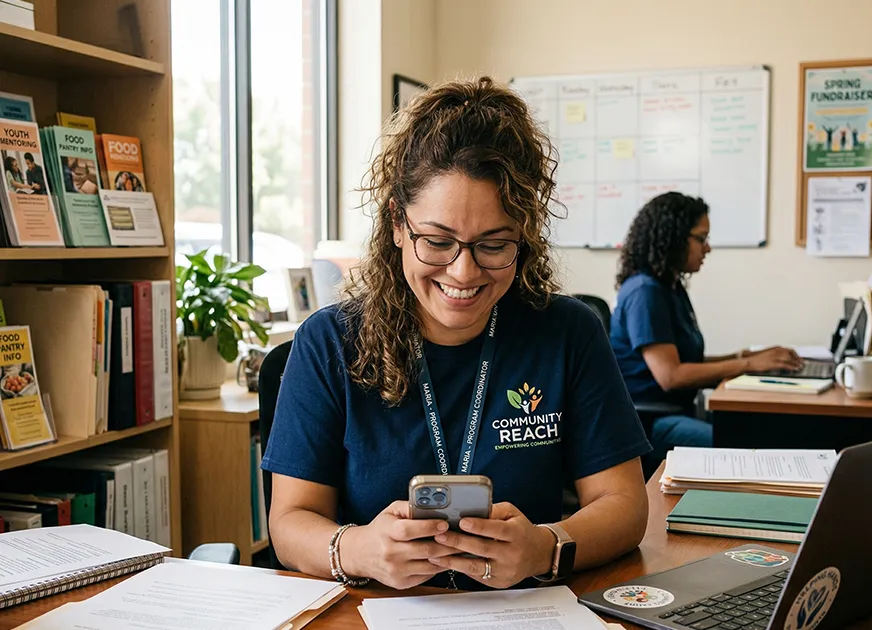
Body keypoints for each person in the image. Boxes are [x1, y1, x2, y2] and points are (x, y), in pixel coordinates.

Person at [261, 77, 652, 592]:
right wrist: (362, 550)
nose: (464, 273)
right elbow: (289, 522)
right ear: (398, 224)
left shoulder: (569, 333)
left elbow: (624, 506)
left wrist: (546, 545)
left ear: (524, 235)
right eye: (439, 241)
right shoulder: (329, 343)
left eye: (493, 245)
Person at [610, 192, 802, 469]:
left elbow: (688, 363)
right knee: (747, 448)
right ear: (673, 237)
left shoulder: (669, 287)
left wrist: (746, 358)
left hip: (676, 412)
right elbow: (671, 376)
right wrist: (747, 364)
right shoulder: (645, 293)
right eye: (701, 239)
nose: (707, 248)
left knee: (762, 431)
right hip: (649, 424)